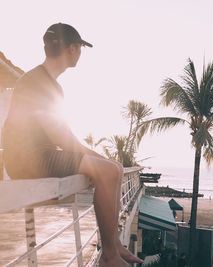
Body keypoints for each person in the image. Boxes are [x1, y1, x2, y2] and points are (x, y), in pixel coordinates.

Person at [2, 23, 143, 266]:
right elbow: (63, 139)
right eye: (79, 48)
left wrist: (101, 158)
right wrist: (98, 159)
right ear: (72, 49)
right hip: (30, 159)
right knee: (108, 170)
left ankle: (115, 244)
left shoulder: (44, 80)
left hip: (37, 155)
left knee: (115, 168)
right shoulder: (40, 82)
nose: (80, 53)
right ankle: (109, 255)